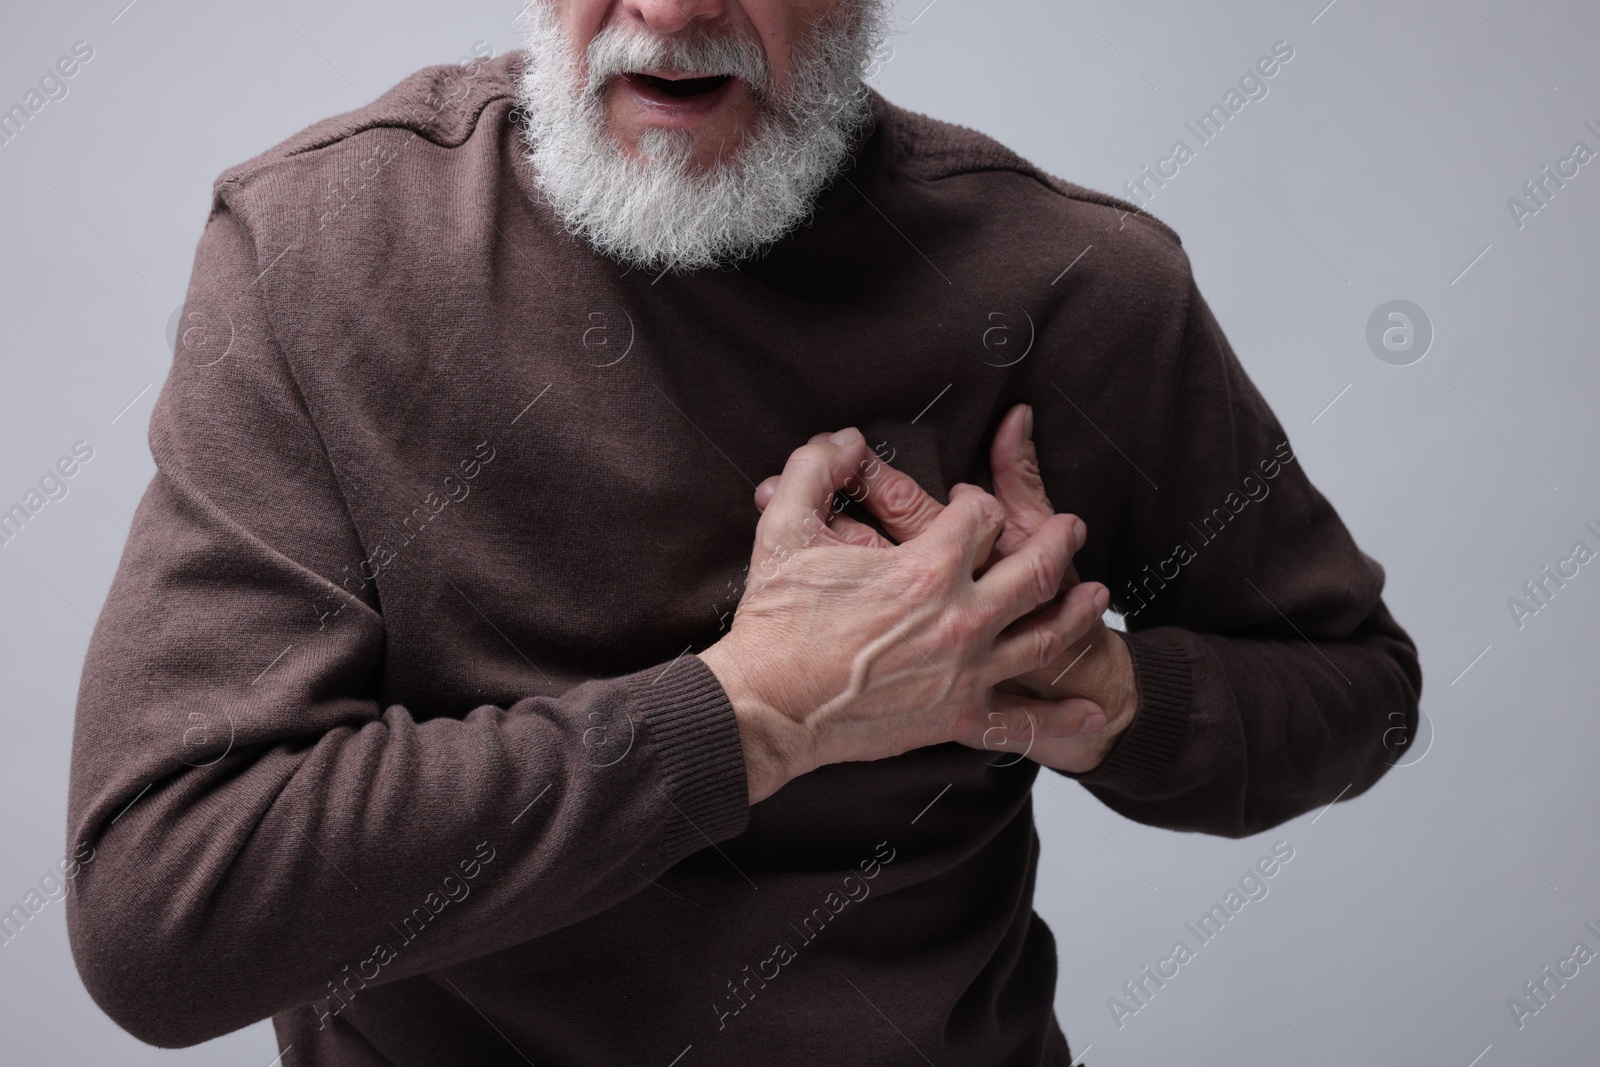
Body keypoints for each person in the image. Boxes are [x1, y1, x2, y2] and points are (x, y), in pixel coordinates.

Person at [65, 0, 1422, 1064]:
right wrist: (759, 710)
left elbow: (1356, 691)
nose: (666, 9)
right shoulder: (324, 245)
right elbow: (163, 912)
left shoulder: (1068, 284)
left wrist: (1089, 687)